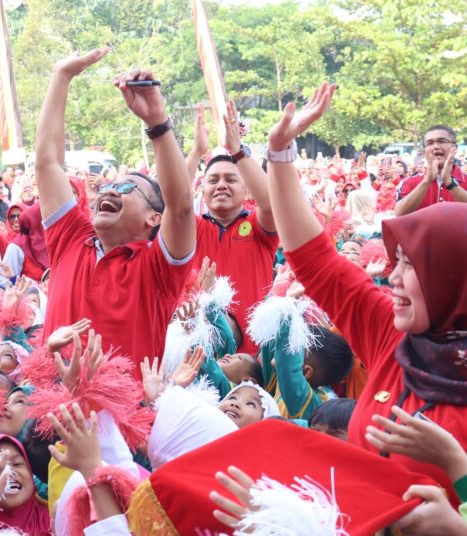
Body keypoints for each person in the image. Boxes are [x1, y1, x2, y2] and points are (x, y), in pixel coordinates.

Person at [266, 81, 467, 498]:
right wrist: (281, 154)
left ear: (454, 275)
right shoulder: (391, 337)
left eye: (413, 266)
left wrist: (458, 474)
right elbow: (316, 261)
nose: (392, 278)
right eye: (397, 263)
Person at [36, 49, 195, 377]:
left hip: (118, 421)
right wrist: (61, 76)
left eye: (126, 188)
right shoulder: (71, 238)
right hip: (48, 411)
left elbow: (180, 208)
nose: (109, 190)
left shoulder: (158, 268)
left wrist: (157, 123)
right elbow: (47, 162)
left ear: (153, 218)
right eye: (109, 186)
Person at [192, 101, 278, 354]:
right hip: (198, 349)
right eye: (213, 180)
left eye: (231, 179)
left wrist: (238, 150)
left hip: (253, 355)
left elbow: (271, 203)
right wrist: (196, 152)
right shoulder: (192, 228)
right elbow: (175, 204)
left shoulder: (257, 226)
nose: (221, 185)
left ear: (247, 189)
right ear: (202, 190)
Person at [395, 125, 467, 216]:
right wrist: (426, 181)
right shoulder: (410, 182)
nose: (435, 146)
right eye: (430, 143)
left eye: (442, 141)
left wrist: (449, 183)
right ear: (425, 150)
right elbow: (399, 214)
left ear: (454, 147)